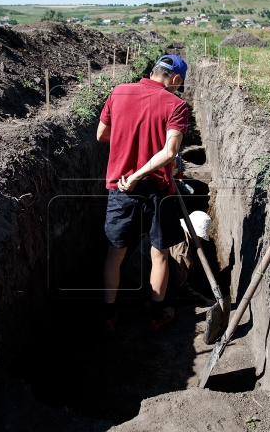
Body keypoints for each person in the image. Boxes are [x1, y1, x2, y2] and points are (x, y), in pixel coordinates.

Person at [96, 55, 189, 333]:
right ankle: (158, 314)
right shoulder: (177, 105)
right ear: (174, 79)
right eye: (178, 85)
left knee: (115, 252)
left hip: (120, 186)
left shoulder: (118, 91)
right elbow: (170, 152)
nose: (177, 90)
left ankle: (109, 316)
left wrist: (129, 137)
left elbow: (102, 134)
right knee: (159, 253)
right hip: (157, 189)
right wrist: (139, 173)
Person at [123, 211, 216, 308]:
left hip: (132, 269)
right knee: (173, 303)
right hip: (140, 282)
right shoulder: (180, 247)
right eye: (201, 237)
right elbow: (180, 286)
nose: (200, 240)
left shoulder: (172, 225)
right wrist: (204, 301)